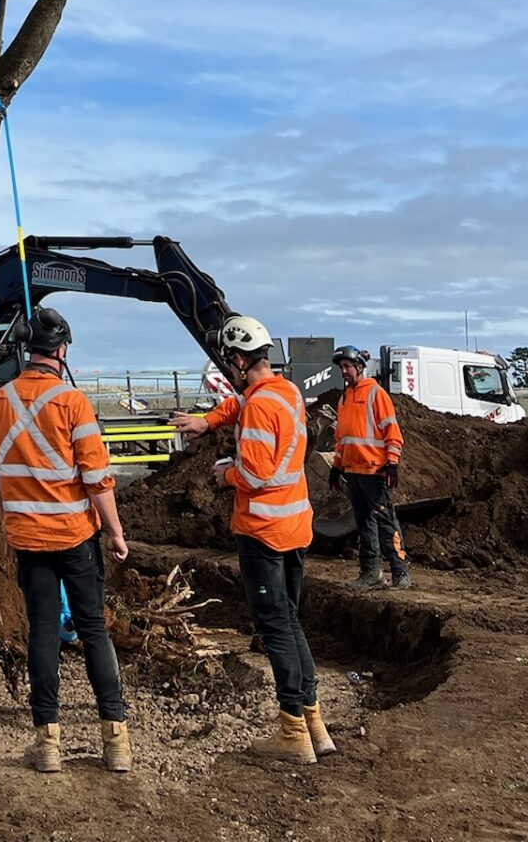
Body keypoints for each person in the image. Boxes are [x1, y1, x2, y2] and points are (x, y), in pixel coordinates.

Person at [0, 306, 132, 776]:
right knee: (93, 630)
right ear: (62, 350)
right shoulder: (72, 402)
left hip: (28, 541)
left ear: (29, 350)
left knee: (43, 632)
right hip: (75, 537)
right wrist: (115, 532)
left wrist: (9, 530)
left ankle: (47, 744)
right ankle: (116, 742)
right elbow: (97, 479)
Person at [173, 315, 329, 765]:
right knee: (290, 622)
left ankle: (292, 731)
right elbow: (238, 405)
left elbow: (257, 475)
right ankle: (314, 723)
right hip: (295, 527)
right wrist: (208, 422)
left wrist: (225, 475)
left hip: (264, 532)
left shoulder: (259, 407)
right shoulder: (286, 392)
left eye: (230, 363)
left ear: (240, 361)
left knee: (275, 628)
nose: (230, 370)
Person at [329, 345, 409, 590]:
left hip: (374, 471)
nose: (343, 371)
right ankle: (371, 573)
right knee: (364, 523)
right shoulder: (344, 398)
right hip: (353, 472)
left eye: (347, 366)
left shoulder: (376, 394)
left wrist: (392, 463)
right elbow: (342, 438)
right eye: (341, 367)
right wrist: (337, 466)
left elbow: (392, 432)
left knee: (386, 522)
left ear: (359, 367)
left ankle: (400, 572)